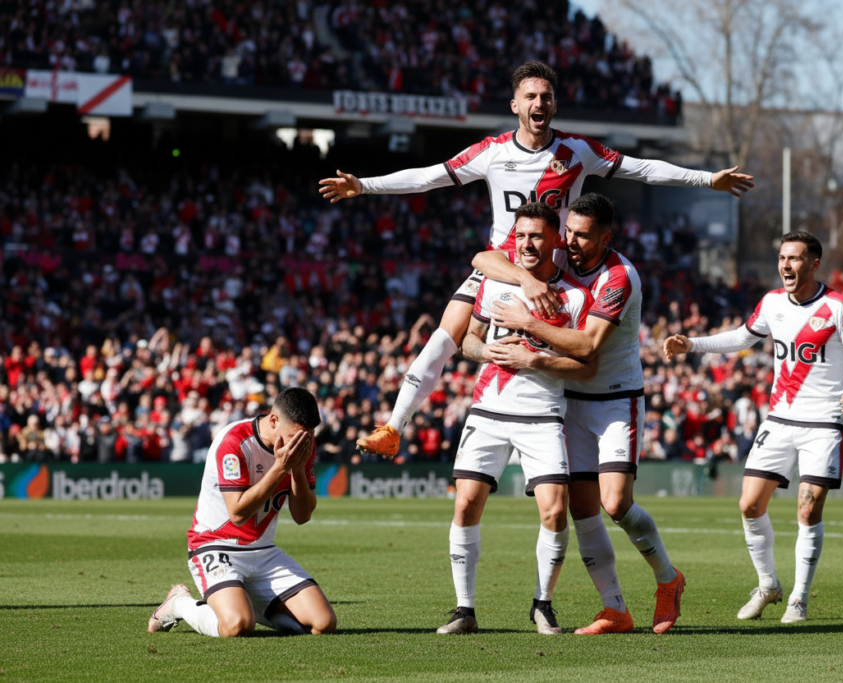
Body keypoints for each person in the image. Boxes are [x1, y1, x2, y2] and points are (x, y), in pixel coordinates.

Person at [319, 60, 754, 458]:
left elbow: (640, 168)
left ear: (554, 104)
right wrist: (365, 186)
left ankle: (590, 425)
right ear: (515, 105)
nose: (539, 102)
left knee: (586, 353)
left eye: (545, 96)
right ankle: (395, 427)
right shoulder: (492, 152)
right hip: (502, 264)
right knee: (444, 335)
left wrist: (706, 179)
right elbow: (430, 177)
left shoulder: (576, 151)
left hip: (556, 268)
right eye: (530, 96)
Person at [472, 193, 683, 635]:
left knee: (614, 502)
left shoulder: (618, 277)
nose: (570, 242)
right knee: (584, 510)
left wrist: (529, 325)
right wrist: (527, 283)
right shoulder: (561, 259)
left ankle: (668, 578)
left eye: (582, 235)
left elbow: (587, 346)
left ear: (606, 238)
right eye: (567, 231)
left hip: (613, 398)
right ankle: (615, 609)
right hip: (569, 399)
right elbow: (484, 258)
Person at [662, 231, 843, 623]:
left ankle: (799, 598)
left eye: (794, 258)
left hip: (823, 424)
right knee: (748, 505)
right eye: (782, 258)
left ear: (814, 263)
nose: (785, 265)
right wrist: (691, 344)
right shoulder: (772, 303)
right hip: (778, 419)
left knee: (807, 512)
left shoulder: (838, 306)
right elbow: (741, 338)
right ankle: (768, 585)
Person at [437, 203, 597, 635]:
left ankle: (543, 605)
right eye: (521, 236)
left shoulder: (576, 296)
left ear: (555, 241)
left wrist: (536, 360)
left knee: (554, 511)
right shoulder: (494, 284)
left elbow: (586, 366)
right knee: (466, 504)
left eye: (537, 237)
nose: (527, 244)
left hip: (542, 415)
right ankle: (464, 610)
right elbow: (469, 339)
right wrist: (484, 351)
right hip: (488, 410)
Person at [147, 387, 336, 637]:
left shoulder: (304, 443)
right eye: (298, 435)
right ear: (273, 420)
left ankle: (244, 601)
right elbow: (237, 513)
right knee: (237, 626)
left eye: (310, 434)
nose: (304, 441)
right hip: (215, 545)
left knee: (323, 623)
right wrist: (280, 468)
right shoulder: (234, 441)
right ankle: (179, 603)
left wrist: (298, 469)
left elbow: (302, 516)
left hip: (263, 550)